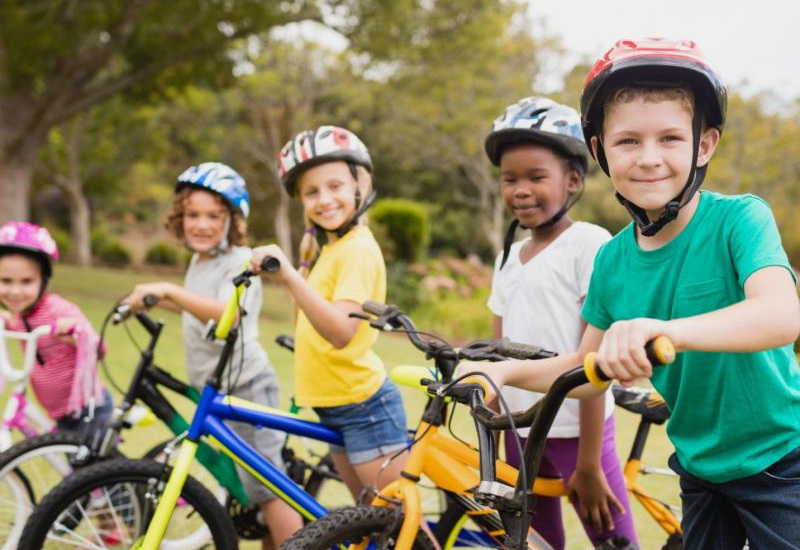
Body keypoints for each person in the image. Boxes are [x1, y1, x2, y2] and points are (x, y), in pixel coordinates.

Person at [459, 38, 800, 550]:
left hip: (781, 461)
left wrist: (667, 330)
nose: (649, 159)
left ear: (703, 145)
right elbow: (584, 373)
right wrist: (502, 372)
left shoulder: (739, 220)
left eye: (669, 138)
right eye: (627, 142)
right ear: (599, 151)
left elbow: (779, 316)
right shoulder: (613, 261)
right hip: (700, 470)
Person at [122, 162, 303, 550]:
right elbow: (200, 308)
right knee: (252, 488)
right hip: (220, 388)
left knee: (268, 485)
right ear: (179, 218)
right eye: (192, 215)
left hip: (249, 385)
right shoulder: (199, 261)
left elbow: (228, 314)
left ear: (231, 220)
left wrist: (168, 290)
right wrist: (158, 301)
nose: (201, 225)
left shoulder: (240, 262)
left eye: (212, 216)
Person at [484, 96, 637, 549]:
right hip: (519, 431)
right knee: (532, 541)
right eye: (509, 179)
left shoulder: (589, 244)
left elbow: (595, 364)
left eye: (536, 177)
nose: (520, 190)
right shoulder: (507, 258)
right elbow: (499, 350)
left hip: (577, 432)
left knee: (613, 538)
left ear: (572, 181)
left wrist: (589, 462)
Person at [249, 126, 409, 503]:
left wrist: (288, 275)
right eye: (311, 192)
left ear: (361, 184)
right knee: (368, 521)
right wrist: (299, 269)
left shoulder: (357, 250)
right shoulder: (332, 249)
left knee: (396, 525)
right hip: (335, 406)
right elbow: (309, 319)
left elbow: (341, 332)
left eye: (335, 186)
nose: (324, 200)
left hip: (363, 407)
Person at [0, 221, 111, 440]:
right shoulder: (22, 315)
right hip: (60, 413)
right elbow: (20, 326)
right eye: (5, 281)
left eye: (26, 282)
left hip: (88, 409)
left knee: (94, 473)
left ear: (44, 281)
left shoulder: (59, 310)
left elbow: (100, 350)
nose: (15, 291)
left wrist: (75, 334)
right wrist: (5, 320)